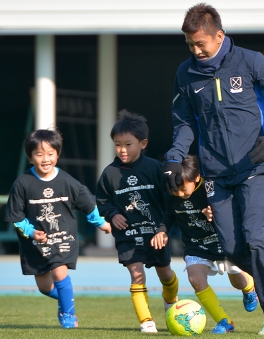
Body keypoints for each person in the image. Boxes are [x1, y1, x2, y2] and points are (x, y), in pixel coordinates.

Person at [162, 3, 264, 335]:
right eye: (190, 46)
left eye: (201, 44)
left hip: (255, 166)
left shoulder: (250, 61)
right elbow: (184, 122)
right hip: (215, 174)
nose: (196, 51)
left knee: (255, 236)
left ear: (219, 35)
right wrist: (174, 155)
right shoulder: (186, 73)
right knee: (232, 248)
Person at [4, 129, 111, 329]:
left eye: (50, 153)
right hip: (35, 244)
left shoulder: (68, 182)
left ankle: (68, 315)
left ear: (58, 154)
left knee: (60, 272)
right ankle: (66, 296)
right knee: (44, 287)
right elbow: (16, 218)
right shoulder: (22, 184)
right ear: (30, 156)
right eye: (39, 154)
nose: (46, 159)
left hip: (63, 239)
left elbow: (88, 204)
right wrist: (31, 232)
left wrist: (102, 224)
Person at [152, 155, 258, 334]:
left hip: (222, 243)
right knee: (195, 279)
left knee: (237, 281)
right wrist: (162, 230)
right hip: (196, 245)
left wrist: (216, 214)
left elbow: (232, 209)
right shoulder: (172, 193)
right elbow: (169, 215)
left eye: (183, 188)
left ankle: (249, 287)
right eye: (174, 189)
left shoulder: (211, 190)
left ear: (196, 178)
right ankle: (225, 321)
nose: (178, 193)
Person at [96, 110, 179, 333]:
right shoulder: (109, 174)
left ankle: (171, 301)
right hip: (128, 235)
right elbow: (102, 201)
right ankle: (147, 322)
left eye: (128, 144)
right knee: (136, 273)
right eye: (118, 144)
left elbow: (169, 202)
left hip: (155, 234)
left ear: (143, 143)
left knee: (166, 274)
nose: (122, 150)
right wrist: (112, 214)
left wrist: (163, 229)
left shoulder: (154, 168)